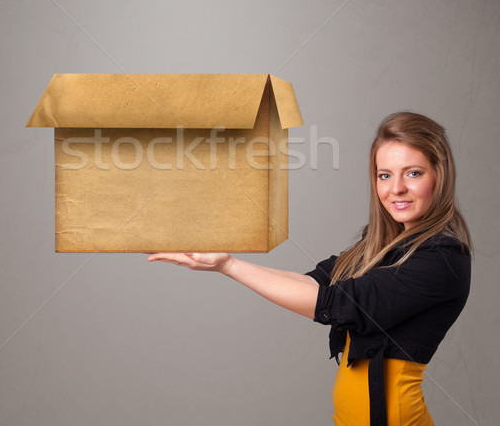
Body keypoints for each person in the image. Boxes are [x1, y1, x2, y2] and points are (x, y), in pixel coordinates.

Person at [147, 111, 472, 426]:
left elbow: (334, 303)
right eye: (384, 175)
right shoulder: (379, 248)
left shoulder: (443, 258)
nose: (395, 188)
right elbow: (312, 284)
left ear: (439, 176)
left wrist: (230, 265)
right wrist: (222, 262)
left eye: (413, 173)